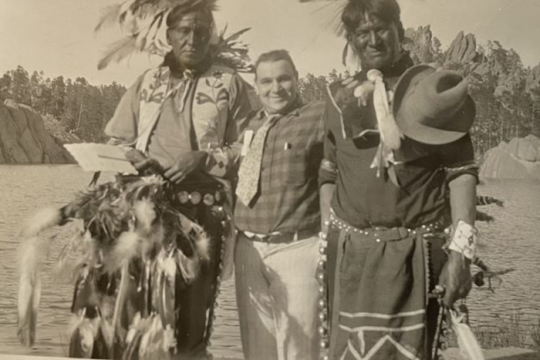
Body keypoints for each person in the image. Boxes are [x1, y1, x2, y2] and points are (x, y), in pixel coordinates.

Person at [71, 2, 253, 359]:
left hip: (202, 218)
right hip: (143, 214)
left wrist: (205, 158)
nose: (192, 38)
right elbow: (117, 140)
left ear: (211, 35)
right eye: (183, 30)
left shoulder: (229, 83)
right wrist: (133, 157)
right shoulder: (148, 82)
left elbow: (249, 147)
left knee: (189, 323)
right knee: (135, 314)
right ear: (168, 35)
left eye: (201, 31)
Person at [318, 0, 479, 359]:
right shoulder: (337, 97)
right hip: (351, 258)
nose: (373, 40)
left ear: (400, 31)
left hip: (416, 256)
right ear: (351, 40)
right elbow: (328, 171)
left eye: (381, 29)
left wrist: (461, 255)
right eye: (363, 33)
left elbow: (461, 173)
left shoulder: (431, 91)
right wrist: (329, 239)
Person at [234, 50, 326, 360]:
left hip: (298, 251)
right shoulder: (250, 125)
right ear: (256, 86)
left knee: (301, 351)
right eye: (267, 81)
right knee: (257, 352)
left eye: (284, 78)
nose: (276, 88)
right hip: (248, 252)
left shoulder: (317, 116)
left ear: (297, 79)